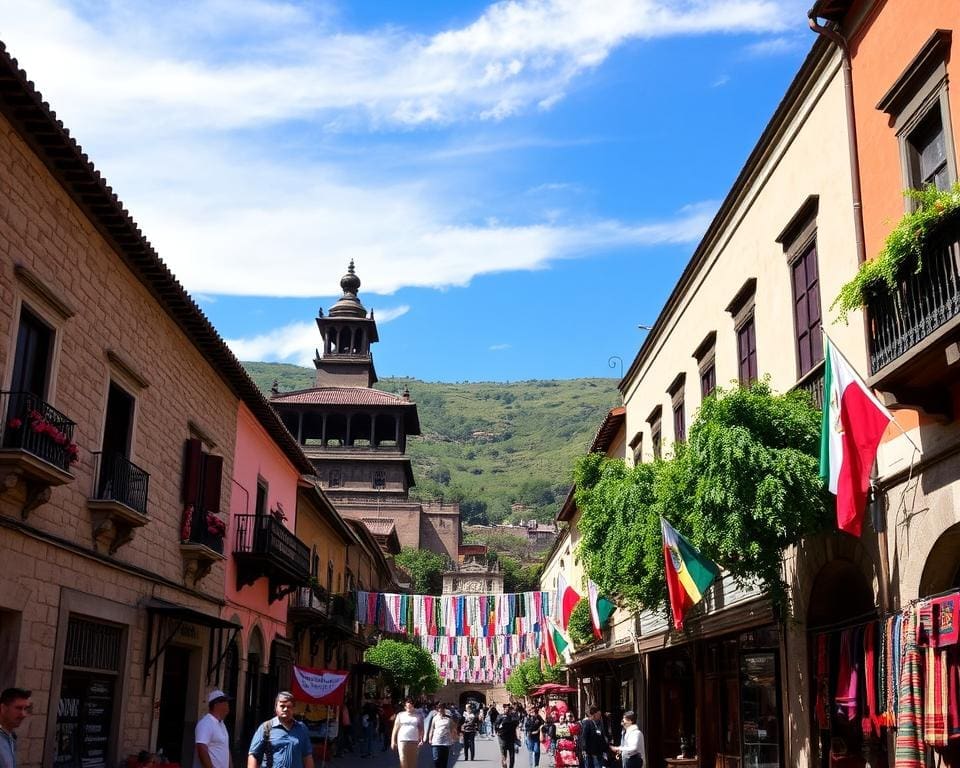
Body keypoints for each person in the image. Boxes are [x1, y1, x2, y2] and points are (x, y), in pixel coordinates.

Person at [247, 691, 314, 768]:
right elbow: (253, 755)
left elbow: (307, 756)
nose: (285, 709)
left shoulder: (302, 729)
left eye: (289, 706)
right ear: (276, 708)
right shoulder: (266, 727)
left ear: (293, 708)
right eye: (282, 706)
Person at [195, 689, 232, 768]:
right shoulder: (206, 724)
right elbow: (201, 749)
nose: (227, 708)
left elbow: (225, 748)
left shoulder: (222, 724)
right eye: (225, 704)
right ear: (216, 705)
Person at [0, 688, 30, 768]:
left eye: (25, 709)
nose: (23, 714)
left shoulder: (10, 736)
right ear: (3, 708)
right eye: (18, 708)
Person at [391, 697, 424, 768]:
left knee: (412, 762)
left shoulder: (418, 716)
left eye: (411, 705)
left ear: (413, 706)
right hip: (402, 740)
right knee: (403, 761)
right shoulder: (400, 715)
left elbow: (421, 728)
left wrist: (421, 739)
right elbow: (395, 728)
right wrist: (393, 741)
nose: (409, 707)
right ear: (405, 706)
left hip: (414, 741)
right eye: (407, 706)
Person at [426, 703, 459, 768]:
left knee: (444, 761)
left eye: (442, 709)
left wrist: (454, 738)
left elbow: (453, 728)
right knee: (436, 759)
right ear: (437, 710)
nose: (440, 710)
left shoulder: (448, 718)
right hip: (436, 741)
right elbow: (432, 729)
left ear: (444, 709)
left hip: (446, 742)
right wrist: (430, 738)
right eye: (439, 709)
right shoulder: (435, 718)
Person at [495, 703, 521, 768]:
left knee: (512, 755)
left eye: (508, 709)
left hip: (511, 737)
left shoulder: (513, 717)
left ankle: (511, 766)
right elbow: (496, 726)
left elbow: (517, 726)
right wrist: (497, 731)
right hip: (502, 738)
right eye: (505, 708)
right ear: (503, 709)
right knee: (504, 754)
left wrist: (518, 736)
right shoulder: (500, 716)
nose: (507, 710)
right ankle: (504, 765)